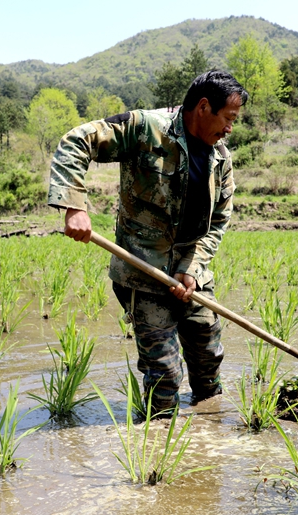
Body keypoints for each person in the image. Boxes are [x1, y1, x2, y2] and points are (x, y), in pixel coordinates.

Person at [47, 70, 248, 413]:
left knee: (208, 353)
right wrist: (74, 206)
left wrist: (192, 270)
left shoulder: (220, 160)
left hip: (191, 275)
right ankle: (159, 446)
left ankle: (209, 430)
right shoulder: (144, 129)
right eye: (228, 118)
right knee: (165, 374)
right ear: (203, 107)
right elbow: (77, 141)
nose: (230, 128)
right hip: (143, 271)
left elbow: (218, 222)